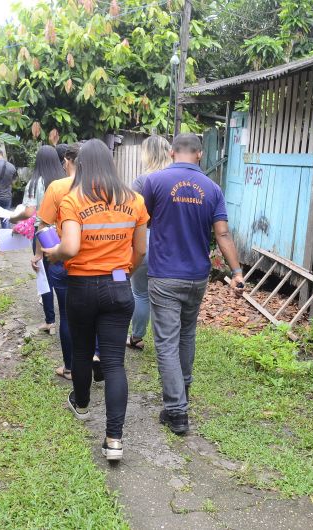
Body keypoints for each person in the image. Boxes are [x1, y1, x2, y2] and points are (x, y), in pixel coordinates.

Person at [44, 139, 148, 461]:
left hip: (82, 288)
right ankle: (114, 440)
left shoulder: (73, 199)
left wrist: (53, 253)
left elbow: (71, 247)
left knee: (82, 350)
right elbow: (141, 250)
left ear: (82, 164)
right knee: (115, 362)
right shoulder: (135, 200)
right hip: (118, 286)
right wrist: (123, 272)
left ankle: (83, 403)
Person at [142, 133, 244, 435]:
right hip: (197, 277)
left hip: (164, 275)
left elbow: (141, 220)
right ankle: (182, 394)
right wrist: (236, 271)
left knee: (166, 343)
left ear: (172, 152)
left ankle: (177, 411)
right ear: (200, 154)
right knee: (186, 335)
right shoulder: (212, 189)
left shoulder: (155, 183)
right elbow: (223, 234)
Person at [34, 143, 79, 380]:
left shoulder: (58, 187)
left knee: (67, 315)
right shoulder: (101, 186)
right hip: (93, 261)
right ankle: (96, 355)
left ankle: (70, 367)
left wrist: (43, 254)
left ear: (69, 161)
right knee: (93, 314)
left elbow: (44, 226)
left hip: (63, 258)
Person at [11, 145, 65, 337]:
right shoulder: (65, 180)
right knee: (63, 274)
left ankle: (50, 321)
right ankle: (66, 317)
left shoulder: (36, 182)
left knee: (45, 277)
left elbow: (29, 212)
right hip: (64, 232)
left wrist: (13, 218)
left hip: (43, 234)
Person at [127, 135, 172, 350]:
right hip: (170, 243)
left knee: (141, 292)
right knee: (166, 295)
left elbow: (131, 215)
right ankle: (167, 340)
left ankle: (136, 337)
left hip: (145, 237)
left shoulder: (142, 181)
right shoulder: (176, 179)